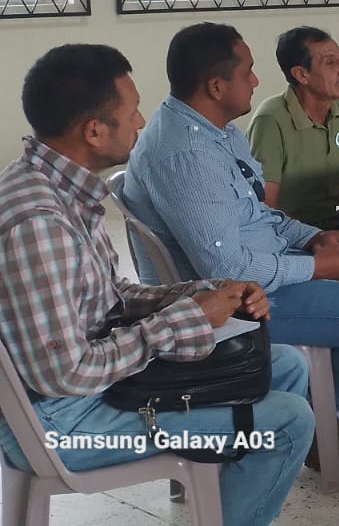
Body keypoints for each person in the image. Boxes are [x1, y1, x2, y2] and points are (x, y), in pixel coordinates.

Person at [0, 44, 314, 526]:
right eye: (132, 112)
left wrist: (205, 292)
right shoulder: (40, 223)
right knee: (290, 421)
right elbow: (66, 374)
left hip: (82, 393)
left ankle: (222, 503)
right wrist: (186, 320)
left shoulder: (54, 185)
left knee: (283, 365)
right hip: (62, 425)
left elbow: (108, 299)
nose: (142, 122)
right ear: (93, 130)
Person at [121, 23, 339, 470]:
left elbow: (258, 212)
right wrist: (316, 268)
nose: (256, 81)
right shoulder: (186, 154)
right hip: (237, 300)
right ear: (216, 86)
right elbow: (227, 269)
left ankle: (313, 406)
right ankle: (311, 423)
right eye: (248, 72)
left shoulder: (217, 130)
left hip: (269, 264)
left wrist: (311, 237)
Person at [247, 26, 339, 232]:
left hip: (333, 226)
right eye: (331, 62)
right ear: (302, 74)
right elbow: (266, 208)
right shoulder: (270, 120)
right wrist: (313, 238)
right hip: (286, 235)